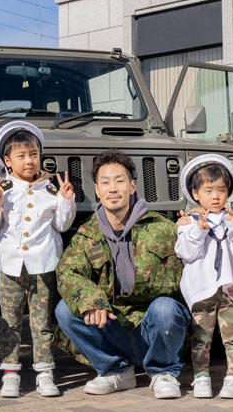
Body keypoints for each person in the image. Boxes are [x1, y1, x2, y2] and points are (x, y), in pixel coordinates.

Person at [54, 149, 189, 399]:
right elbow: (67, 272)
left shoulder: (162, 229)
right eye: (105, 182)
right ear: (97, 190)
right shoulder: (87, 235)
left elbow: (197, 262)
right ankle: (116, 370)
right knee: (65, 309)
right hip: (113, 328)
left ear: (132, 185)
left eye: (119, 181)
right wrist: (91, 302)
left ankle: (163, 371)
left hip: (154, 330)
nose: (112, 188)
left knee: (165, 308)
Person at [0, 121, 76, 398]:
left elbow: (62, 224)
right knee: (9, 321)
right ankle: (10, 372)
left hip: (42, 265)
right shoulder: (3, 189)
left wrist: (66, 201)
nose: (29, 161)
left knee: (41, 322)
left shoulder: (50, 190)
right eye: (21, 156)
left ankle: (44, 372)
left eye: (34, 154)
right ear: (8, 161)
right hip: (10, 267)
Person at [175, 154, 233, 399]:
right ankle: (201, 377)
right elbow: (185, 253)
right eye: (208, 190)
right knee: (202, 337)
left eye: (221, 190)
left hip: (230, 290)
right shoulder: (188, 222)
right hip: (202, 290)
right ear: (195, 193)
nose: (215, 196)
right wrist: (198, 231)